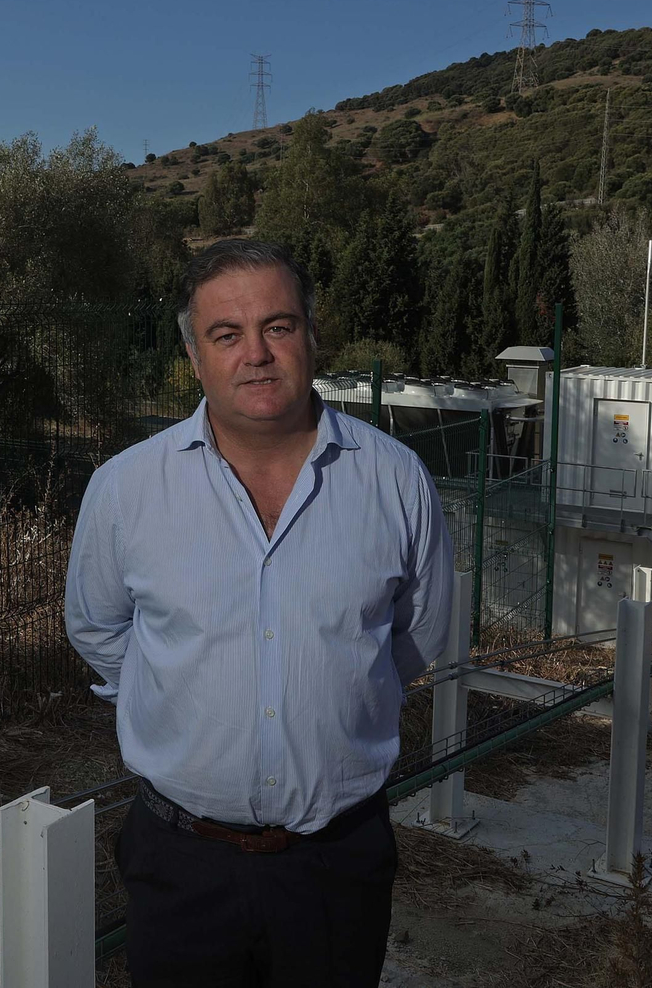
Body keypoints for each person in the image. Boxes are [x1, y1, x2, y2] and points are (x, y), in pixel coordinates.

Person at [65, 238, 454, 987]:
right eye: (227, 334)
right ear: (193, 355)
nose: (257, 354)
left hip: (338, 865)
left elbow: (419, 633)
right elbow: (99, 628)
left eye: (278, 326)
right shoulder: (125, 490)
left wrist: (332, 692)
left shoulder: (395, 479)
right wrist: (178, 697)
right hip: (180, 867)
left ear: (312, 335)